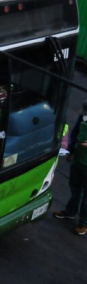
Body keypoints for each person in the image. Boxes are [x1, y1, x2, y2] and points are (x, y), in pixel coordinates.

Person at [54, 100, 87, 235]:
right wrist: (71, 151)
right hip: (79, 160)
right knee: (75, 187)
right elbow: (76, 135)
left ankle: (84, 223)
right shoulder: (83, 119)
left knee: (86, 197)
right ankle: (70, 211)